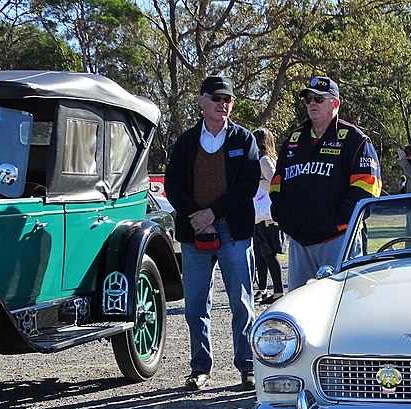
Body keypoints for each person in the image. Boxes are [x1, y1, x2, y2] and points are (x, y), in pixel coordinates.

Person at [164, 75, 261, 392]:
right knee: (194, 306)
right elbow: (172, 186)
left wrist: (213, 213)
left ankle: (247, 368)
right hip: (194, 233)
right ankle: (199, 368)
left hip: (234, 231)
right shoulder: (185, 142)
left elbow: (247, 185)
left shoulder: (244, 139)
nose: (223, 104)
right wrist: (195, 215)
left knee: (242, 304)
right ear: (202, 102)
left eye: (228, 99)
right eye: (217, 98)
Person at [270, 76, 382, 290]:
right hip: (299, 242)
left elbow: (367, 190)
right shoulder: (294, 140)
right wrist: (286, 220)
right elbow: (276, 186)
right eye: (309, 99)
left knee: (341, 305)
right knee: (298, 307)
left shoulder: (354, 140)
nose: (312, 103)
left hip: (338, 240)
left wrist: (335, 222)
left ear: (335, 103)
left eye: (319, 99)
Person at [252, 128, 285, 304]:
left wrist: (257, 180)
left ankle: (278, 291)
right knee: (261, 254)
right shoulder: (261, 159)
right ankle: (263, 289)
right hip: (258, 214)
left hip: (267, 214)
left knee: (269, 253)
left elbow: (274, 182)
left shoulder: (265, 160)